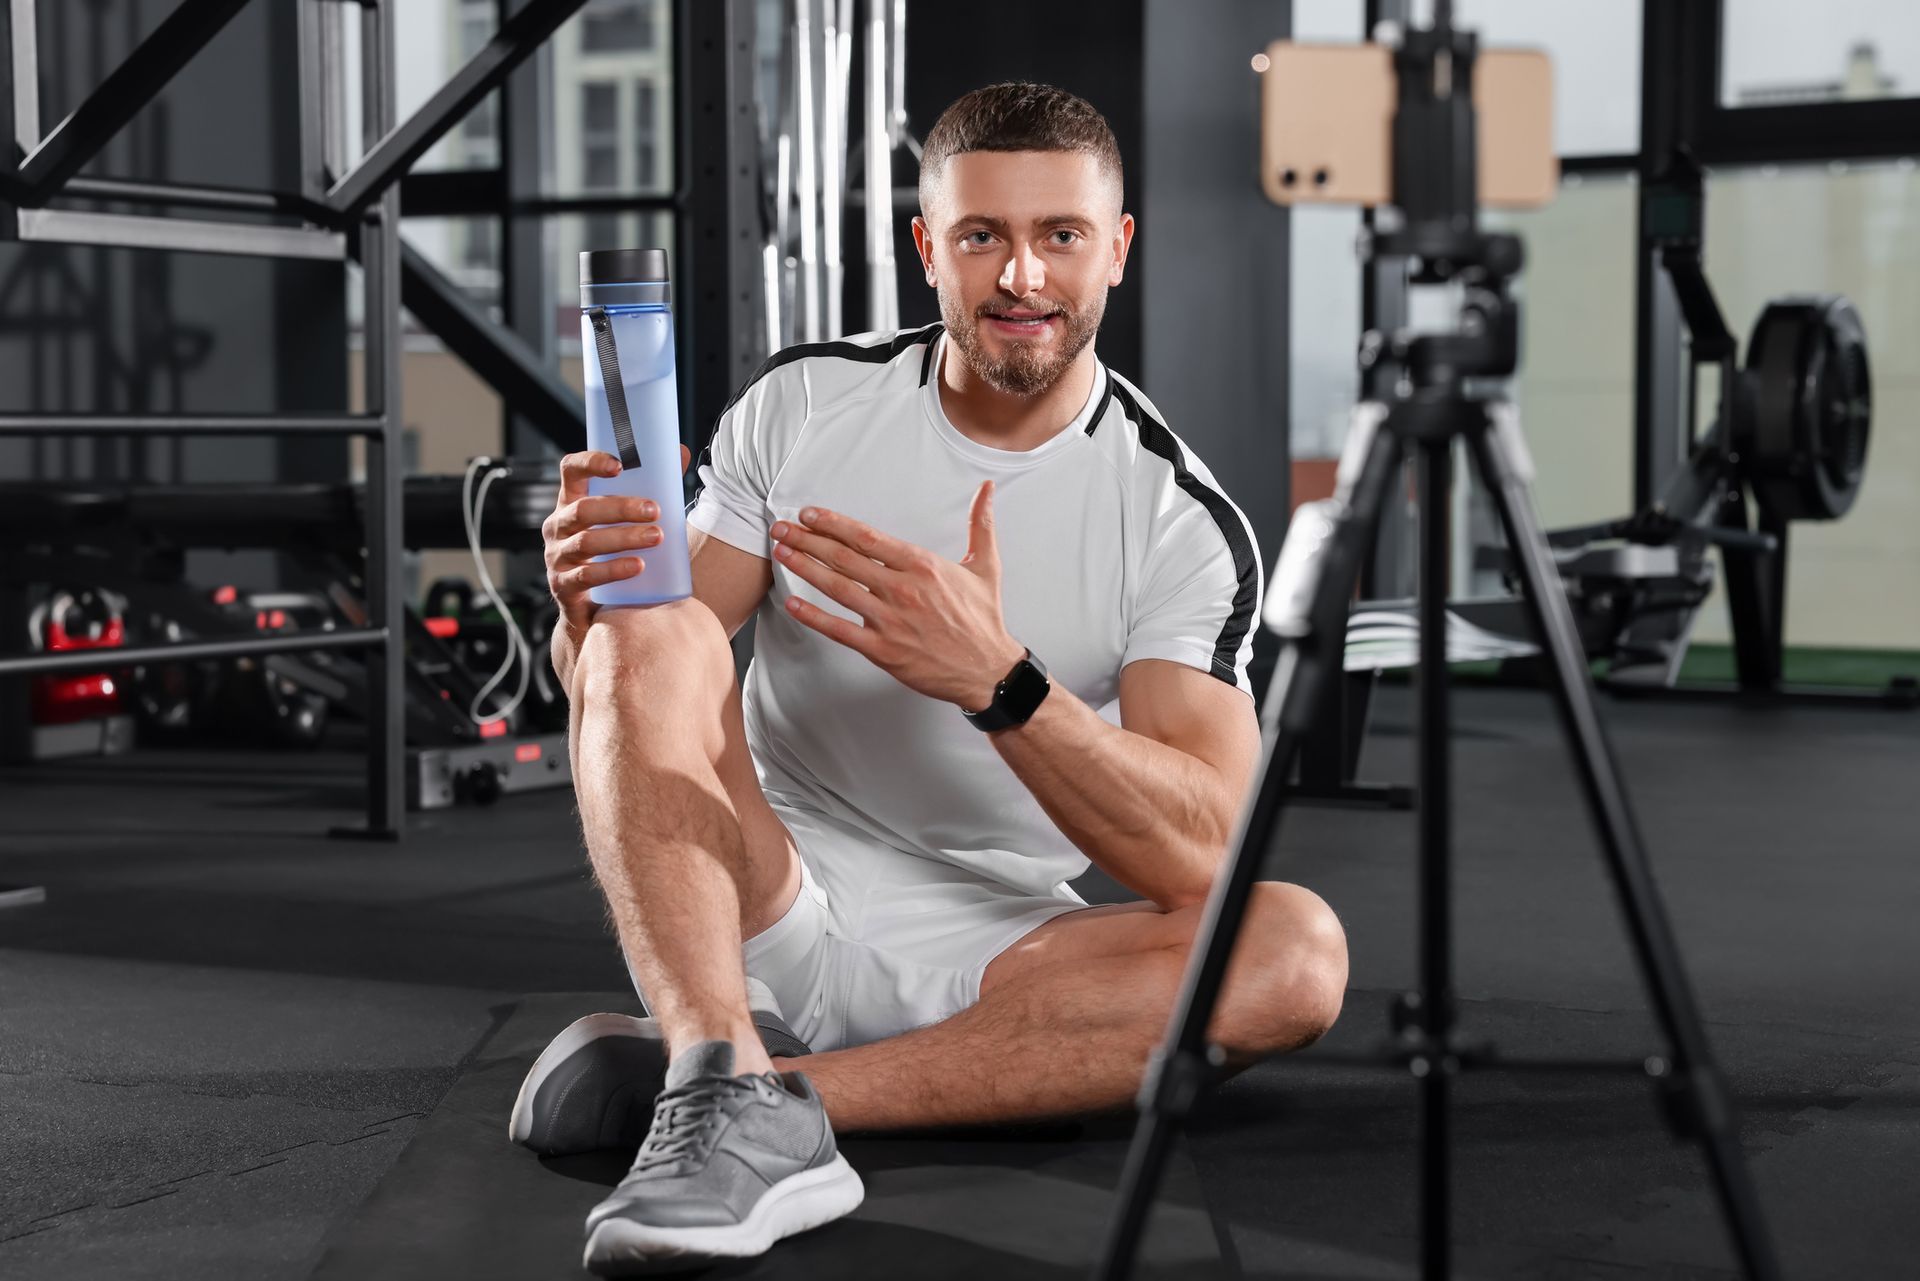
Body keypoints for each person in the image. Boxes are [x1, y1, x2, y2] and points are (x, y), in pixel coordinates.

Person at [521, 81, 1349, 1276]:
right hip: (767, 892)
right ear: (928, 248)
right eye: (982, 237)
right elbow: (636, 688)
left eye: (1059, 235)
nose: (1022, 277)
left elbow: (1208, 854)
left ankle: (748, 1093)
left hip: (1003, 954)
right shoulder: (806, 405)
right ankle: (719, 1045)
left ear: (1116, 250)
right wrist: (581, 615)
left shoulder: (1177, 519)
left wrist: (999, 681)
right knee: (652, 624)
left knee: (1295, 952)